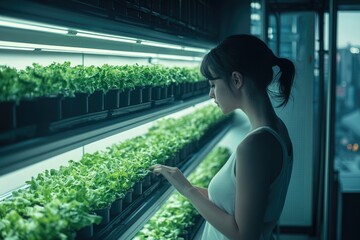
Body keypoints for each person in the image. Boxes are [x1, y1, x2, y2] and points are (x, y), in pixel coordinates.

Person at [150, 34, 295, 240]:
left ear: (236, 79)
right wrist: (182, 183)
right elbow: (234, 207)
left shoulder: (254, 146)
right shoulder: (277, 130)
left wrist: (187, 190)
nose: (211, 94)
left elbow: (244, 235)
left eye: (212, 84)